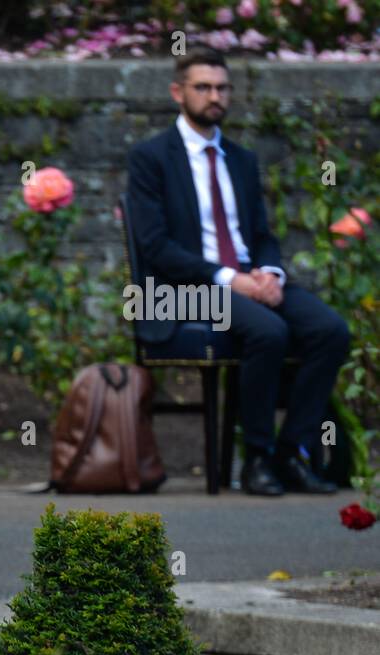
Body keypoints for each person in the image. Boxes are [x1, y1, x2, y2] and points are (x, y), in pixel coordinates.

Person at [126, 45, 350, 496]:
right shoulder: (151, 158)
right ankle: (257, 459)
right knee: (268, 332)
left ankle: (293, 452)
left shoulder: (242, 160)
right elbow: (155, 248)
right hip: (179, 290)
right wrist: (231, 279)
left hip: (249, 281)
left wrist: (269, 273)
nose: (215, 96)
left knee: (330, 331)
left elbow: (262, 234)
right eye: (203, 87)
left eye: (222, 88)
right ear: (178, 92)